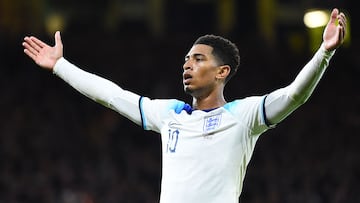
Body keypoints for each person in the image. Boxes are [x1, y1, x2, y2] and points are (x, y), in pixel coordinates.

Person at [22, 8, 346, 203]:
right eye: (186, 59)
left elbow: (294, 96)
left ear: (222, 72)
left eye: (198, 59)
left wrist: (325, 53)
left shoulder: (244, 116)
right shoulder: (170, 115)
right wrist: (60, 66)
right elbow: (112, 95)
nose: (187, 65)